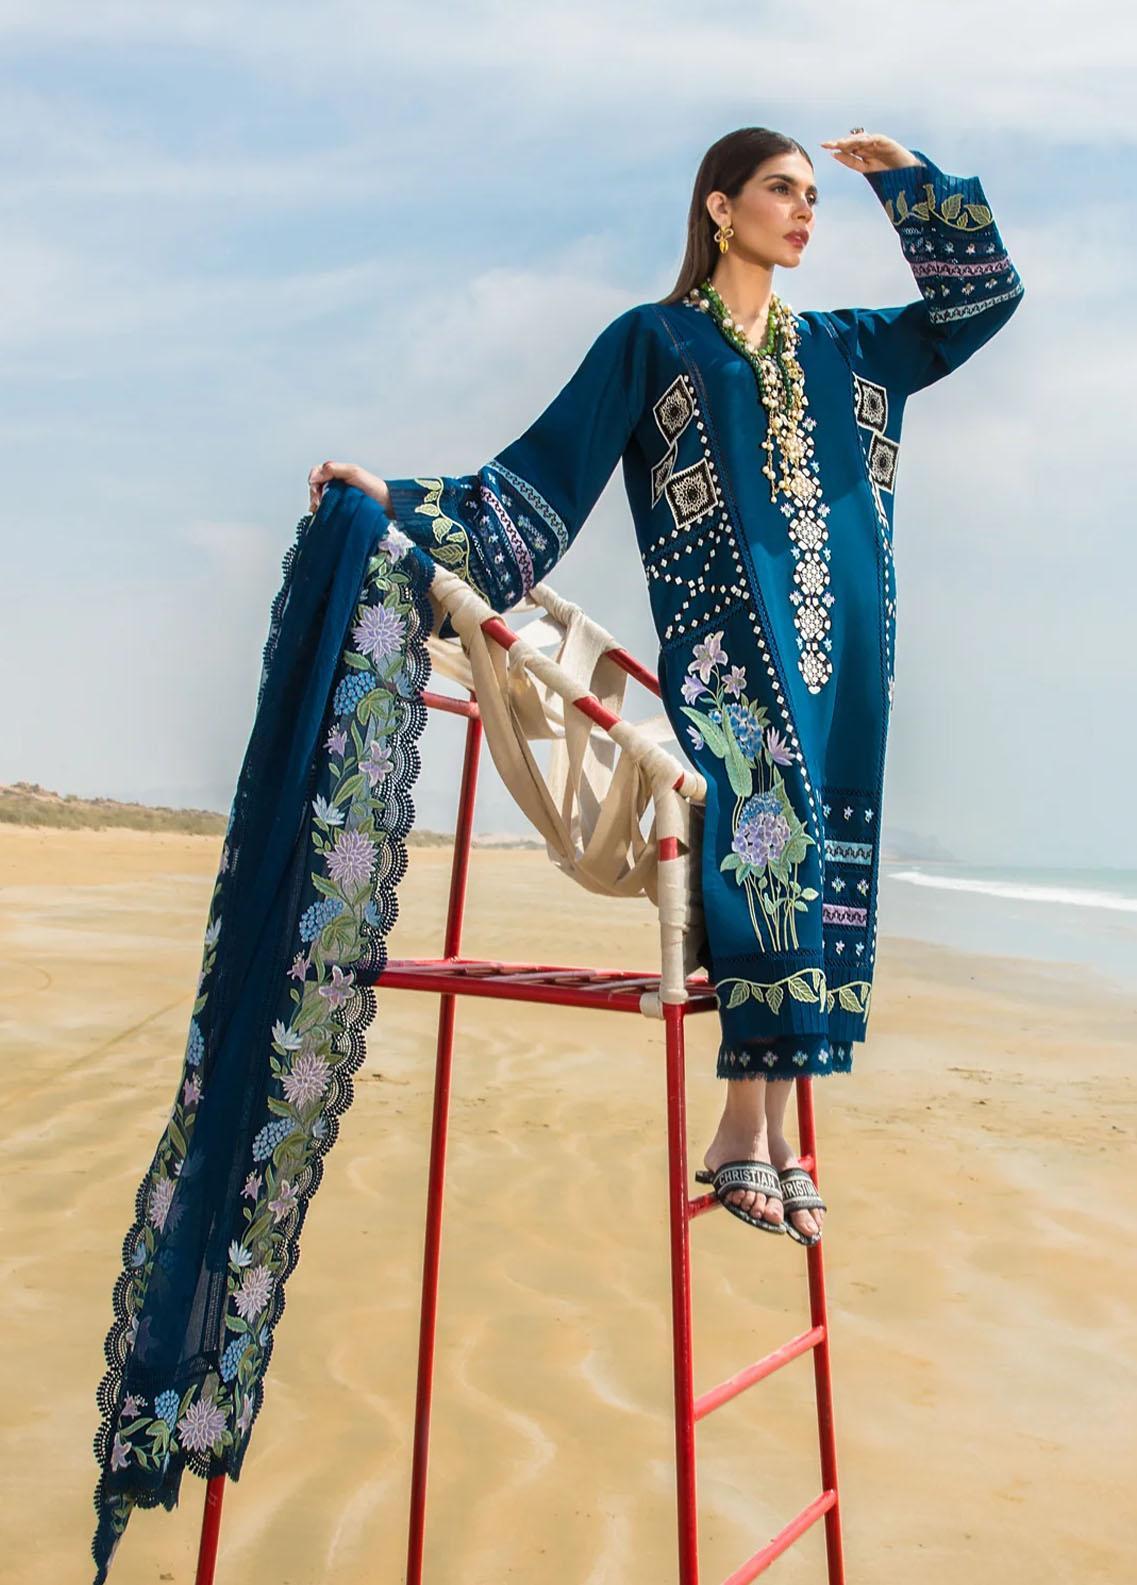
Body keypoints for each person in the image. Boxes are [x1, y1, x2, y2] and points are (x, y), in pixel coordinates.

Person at [308, 128, 1024, 1244]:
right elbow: (541, 473)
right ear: (721, 209)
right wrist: (394, 500)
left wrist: (904, 183)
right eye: (782, 190)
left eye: (813, 195)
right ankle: (741, 1130)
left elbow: (982, 303)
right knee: (771, 833)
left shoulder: (846, 350)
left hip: (849, 657)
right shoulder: (656, 341)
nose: (805, 210)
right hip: (734, 657)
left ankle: (779, 1136)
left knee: (822, 860)